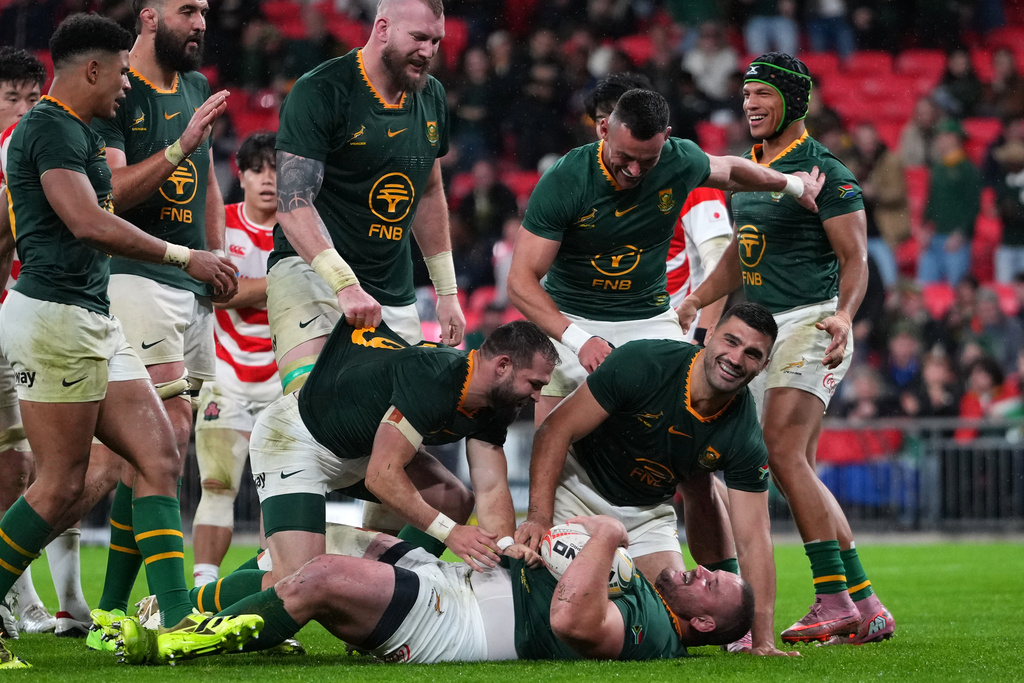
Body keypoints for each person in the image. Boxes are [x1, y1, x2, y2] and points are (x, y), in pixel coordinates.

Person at [0, 13, 239, 669]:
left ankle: (178, 623)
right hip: (52, 319)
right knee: (58, 485)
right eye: (119, 77)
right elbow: (87, 221)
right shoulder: (47, 127)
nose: (126, 91)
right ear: (94, 69)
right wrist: (182, 255)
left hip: (92, 318)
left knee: (159, 453)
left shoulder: (71, 130)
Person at [678, 52, 895, 645]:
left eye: (763, 94)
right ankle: (866, 602)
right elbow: (741, 258)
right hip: (764, 331)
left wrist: (846, 316)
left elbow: (856, 260)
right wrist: (698, 298)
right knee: (800, 469)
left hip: (815, 322)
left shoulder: (827, 171)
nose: (750, 103)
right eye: (746, 94)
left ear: (793, 100)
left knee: (778, 451)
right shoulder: (753, 166)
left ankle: (832, 598)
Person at [187, 319, 558, 613]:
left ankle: (381, 599)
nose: (538, 396)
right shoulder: (435, 376)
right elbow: (382, 477)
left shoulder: (499, 404)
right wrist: (451, 534)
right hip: (297, 441)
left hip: (362, 451)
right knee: (298, 578)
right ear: (503, 366)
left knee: (453, 497)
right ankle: (190, 604)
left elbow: (491, 487)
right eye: (534, 383)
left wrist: (506, 548)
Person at [507, 86, 823, 429]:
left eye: (647, 160)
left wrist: (794, 185)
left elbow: (732, 171)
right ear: (603, 131)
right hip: (572, 318)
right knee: (553, 441)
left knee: (687, 435)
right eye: (624, 156)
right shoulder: (565, 180)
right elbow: (520, 282)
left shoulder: (678, 159)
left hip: (649, 317)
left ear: (666, 138)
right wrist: (580, 340)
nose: (634, 170)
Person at [515, 303, 794, 656]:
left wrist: (764, 640)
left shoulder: (744, 435)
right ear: (709, 336)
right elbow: (554, 431)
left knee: (671, 617)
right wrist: (539, 517)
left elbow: (754, 538)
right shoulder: (646, 362)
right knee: (550, 593)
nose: (736, 358)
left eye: (752, 354)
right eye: (731, 341)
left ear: (764, 365)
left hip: (648, 514)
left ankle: (733, 642)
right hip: (577, 488)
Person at [85, 0, 235, 646]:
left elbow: (205, 183)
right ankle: (172, 614)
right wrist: (181, 144)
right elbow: (111, 192)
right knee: (163, 445)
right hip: (135, 276)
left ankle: (109, 615)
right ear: (149, 17)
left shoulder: (195, 87)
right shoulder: (121, 91)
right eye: (186, 10)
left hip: (190, 283)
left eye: (204, 10)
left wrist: (220, 255)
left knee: (148, 455)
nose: (200, 22)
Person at [118, 515, 754, 664]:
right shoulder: (646, 590)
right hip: (465, 582)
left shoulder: (655, 633)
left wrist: (608, 534)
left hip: (462, 624)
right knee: (324, 538)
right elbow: (569, 556)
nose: (701, 569)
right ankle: (189, 606)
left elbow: (572, 623)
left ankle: (178, 643)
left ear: (701, 624)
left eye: (713, 585)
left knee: (320, 578)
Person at [269, 0, 465, 400]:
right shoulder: (321, 90)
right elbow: (293, 204)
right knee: (311, 409)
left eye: (436, 40)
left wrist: (447, 293)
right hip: (312, 276)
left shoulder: (432, 97)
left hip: (391, 288)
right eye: (418, 38)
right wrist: (345, 285)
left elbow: (428, 193)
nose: (428, 51)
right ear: (382, 29)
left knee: (396, 431)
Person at [0, 45, 97, 640]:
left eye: (32, 97)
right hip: (22, 315)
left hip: (36, 315)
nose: (23, 107)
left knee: (48, 464)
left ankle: (64, 603)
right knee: (24, 467)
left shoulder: (42, 147)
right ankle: (26, 598)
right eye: (11, 96)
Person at [580, 72, 733, 343]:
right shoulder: (588, 183)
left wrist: (701, 337)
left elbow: (720, 262)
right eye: (601, 119)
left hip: (675, 340)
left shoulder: (688, 177)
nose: (607, 127)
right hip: (611, 341)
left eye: (615, 116)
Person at [191, 132, 281, 587]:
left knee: (279, 498)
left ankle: (271, 595)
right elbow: (217, 292)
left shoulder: (302, 229)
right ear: (240, 175)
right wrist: (282, 278)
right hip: (224, 376)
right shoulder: (219, 225)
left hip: (285, 384)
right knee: (217, 486)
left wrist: (248, 287)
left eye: (276, 169)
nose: (268, 179)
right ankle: (204, 589)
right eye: (258, 169)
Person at [917, 117, 982, 287]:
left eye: (941, 136)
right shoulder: (938, 168)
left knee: (957, 288)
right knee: (924, 287)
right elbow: (931, 201)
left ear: (954, 138)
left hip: (955, 240)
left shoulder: (968, 169)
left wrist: (962, 233)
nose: (938, 141)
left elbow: (974, 205)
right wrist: (924, 226)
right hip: (934, 237)